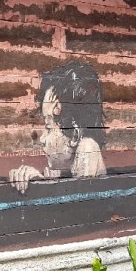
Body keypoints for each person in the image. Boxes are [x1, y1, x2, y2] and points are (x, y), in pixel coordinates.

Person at [9, 62, 106, 193]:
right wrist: (43, 180)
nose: (42, 139)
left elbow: (80, 202)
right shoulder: (68, 170)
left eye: (48, 128)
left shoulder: (87, 147)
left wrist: (41, 184)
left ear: (75, 135)